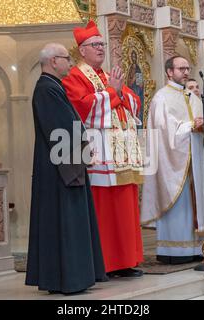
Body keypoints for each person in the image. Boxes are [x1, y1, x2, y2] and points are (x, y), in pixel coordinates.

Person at [62, 21, 144, 277]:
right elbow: (82, 108)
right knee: (105, 210)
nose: (100, 48)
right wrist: (113, 93)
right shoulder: (75, 76)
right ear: (81, 50)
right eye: (94, 45)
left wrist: (115, 92)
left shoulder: (109, 75)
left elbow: (135, 101)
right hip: (99, 154)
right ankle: (105, 263)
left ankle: (126, 261)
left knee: (126, 207)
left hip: (122, 154)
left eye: (102, 44)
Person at [25, 43, 107, 294]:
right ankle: (67, 278)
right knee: (63, 221)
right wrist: (84, 153)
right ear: (52, 61)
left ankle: (72, 276)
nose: (70, 63)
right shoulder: (46, 89)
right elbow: (61, 127)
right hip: (59, 170)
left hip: (64, 164)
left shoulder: (53, 87)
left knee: (67, 221)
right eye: (66, 58)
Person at [141, 56, 204, 264]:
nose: (186, 72)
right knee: (179, 206)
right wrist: (191, 125)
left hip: (195, 162)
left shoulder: (192, 96)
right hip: (172, 162)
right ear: (169, 72)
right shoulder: (161, 98)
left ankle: (197, 248)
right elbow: (164, 130)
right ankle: (173, 251)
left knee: (195, 204)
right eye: (181, 68)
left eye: (187, 68)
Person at [127, 50, 144, 128]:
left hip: (138, 93)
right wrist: (133, 77)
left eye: (135, 57)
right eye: (132, 57)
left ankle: (140, 132)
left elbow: (140, 84)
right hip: (131, 93)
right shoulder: (131, 68)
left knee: (139, 112)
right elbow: (129, 83)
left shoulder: (137, 68)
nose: (134, 58)